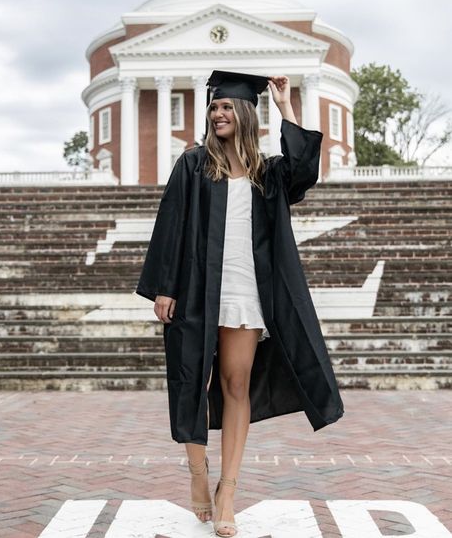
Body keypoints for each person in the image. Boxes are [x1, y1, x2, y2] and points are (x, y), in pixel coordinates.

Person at [135, 70, 345, 537]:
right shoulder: (192, 165)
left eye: (227, 107)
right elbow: (169, 223)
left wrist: (287, 106)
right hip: (195, 291)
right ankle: (197, 474)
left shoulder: (267, 173)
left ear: (246, 113)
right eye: (214, 107)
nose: (218, 113)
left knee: (236, 385)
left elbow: (305, 169)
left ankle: (228, 489)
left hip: (246, 292)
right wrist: (164, 286)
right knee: (191, 380)